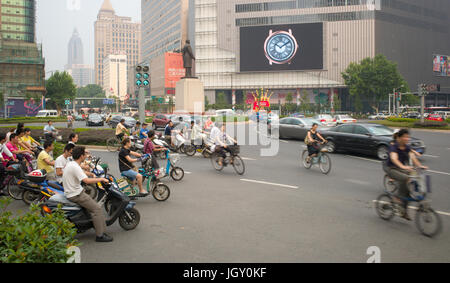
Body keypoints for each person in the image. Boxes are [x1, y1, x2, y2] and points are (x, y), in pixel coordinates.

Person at [63, 146, 113, 243]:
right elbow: (86, 180)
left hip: (73, 192)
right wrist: (101, 179)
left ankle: (99, 228)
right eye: (85, 154)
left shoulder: (72, 164)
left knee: (92, 207)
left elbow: (82, 173)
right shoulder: (75, 166)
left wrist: (91, 174)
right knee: (97, 209)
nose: (86, 156)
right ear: (81, 156)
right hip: (76, 194)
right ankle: (100, 235)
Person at [385, 129, 428, 221]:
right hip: (391, 168)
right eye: (405, 137)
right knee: (406, 178)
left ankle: (404, 211)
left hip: (401, 168)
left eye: (408, 137)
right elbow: (394, 158)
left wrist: (420, 166)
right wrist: (403, 167)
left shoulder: (406, 147)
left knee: (415, 177)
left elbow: (412, 157)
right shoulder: (394, 146)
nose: (407, 138)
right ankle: (397, 197)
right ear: (399, 137)